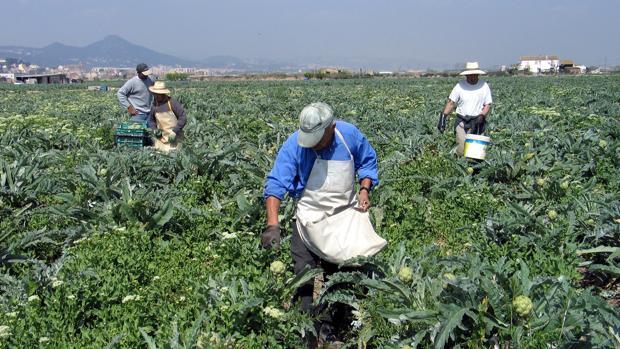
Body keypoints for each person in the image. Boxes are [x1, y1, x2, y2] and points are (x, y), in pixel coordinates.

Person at [262, 102, 387, 348]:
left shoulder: (349, 135)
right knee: (303, 277)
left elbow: (368, 162)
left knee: (341, 278)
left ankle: (332, 329)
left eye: (318, 138)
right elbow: (276, 183)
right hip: (308, 219)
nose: (314, 144)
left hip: (343, 218)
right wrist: (272, 224)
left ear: (332, 127)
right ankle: (308, 332)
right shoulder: (294, 144)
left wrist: (364, 189)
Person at [438, 62, 493, 156]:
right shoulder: (459, 86)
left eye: (474, 75)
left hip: (477, 122)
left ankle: (475, 169)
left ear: (478, 75)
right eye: (469, 75)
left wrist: (482, 115)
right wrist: (443, 117)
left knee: (476, 153)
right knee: (461, 149)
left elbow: (487, 104)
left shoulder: (484, 86)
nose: (471, 77)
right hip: (462, 121)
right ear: (466, 75)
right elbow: (451, 103)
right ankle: (460, 166)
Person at [147, 81, 187, 152]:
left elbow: (182, 117)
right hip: (161, 139)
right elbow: (151, 120)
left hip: (175, 137)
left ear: (163, 93)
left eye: (159, 94)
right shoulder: (154, 105)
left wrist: (175, 131)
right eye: (155, 94)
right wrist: (154, 129)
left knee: (174, 155)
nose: (157, 96)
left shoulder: (172, 102)